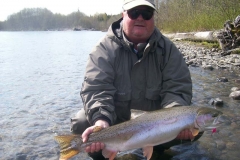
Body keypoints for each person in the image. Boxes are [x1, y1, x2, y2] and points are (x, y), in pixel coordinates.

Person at [71, 0, 202, 159]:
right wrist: (101, 121)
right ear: (123, 15)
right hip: (115, 122)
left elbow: (177, 89)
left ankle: (156, 149)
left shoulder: (168, 50)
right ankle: (105, 151)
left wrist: (177, 121)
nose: (140, 18)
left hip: (156, 125)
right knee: (81, 123)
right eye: (134, 13)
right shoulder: (103, 50)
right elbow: (97, 89)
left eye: (146, 13)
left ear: (153, 17)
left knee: (197, 124)